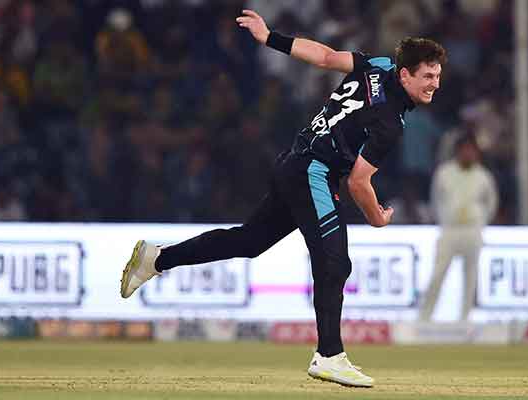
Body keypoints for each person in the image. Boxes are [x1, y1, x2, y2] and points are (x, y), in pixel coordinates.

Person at [120, 9, 446, 388]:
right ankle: (329, 355)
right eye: (428, 76)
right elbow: (359, 183)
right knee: (334, 263)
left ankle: (157, 258)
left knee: (249, 241)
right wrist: (377, 217)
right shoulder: (390, 123)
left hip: (294, 162)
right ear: (405, 74)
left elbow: (325, 57)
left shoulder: (377, 65)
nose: (435, 84)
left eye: (437, 76)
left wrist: (270, 37)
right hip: (314, 172)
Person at [419, 134, 498, 321]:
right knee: (438, 273)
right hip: (450, 230)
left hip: (472, 230)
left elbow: (491, 203)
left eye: (472, 150)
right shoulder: (444, 172)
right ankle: (424, 317)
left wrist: (480, 221)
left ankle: (465, 317)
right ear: (458, 151)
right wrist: (445, 219)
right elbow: (435, 200)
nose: (469, 153)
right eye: (465, 149)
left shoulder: (483, 176)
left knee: (471, 276)